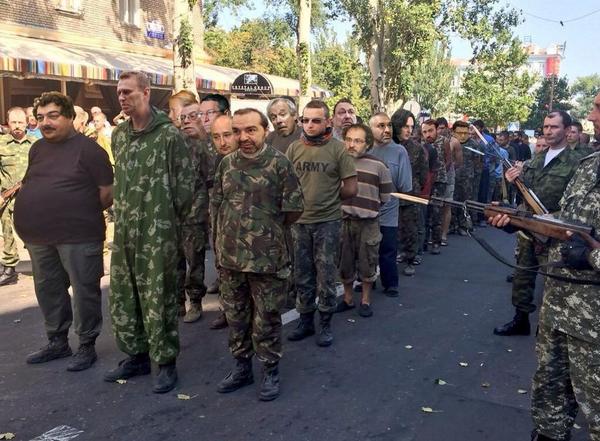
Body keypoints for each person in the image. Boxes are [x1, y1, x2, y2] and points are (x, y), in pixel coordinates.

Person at [490, 92, 600, 441]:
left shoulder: (578, 159)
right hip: (559, 304)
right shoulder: (591, 165)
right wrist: (518, 221)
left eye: (598, 108)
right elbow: (566, 220)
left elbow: (586, 242)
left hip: (593, 318)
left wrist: (590, 256)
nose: (591, 116)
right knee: (551, 386)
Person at [104, 71, 194, 393]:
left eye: (128, 92)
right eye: (119, 92)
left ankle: (166, 361)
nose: (122, 98)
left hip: (158, 231)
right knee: (125, 294)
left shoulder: (169, 136)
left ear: (146, 92)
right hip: (125, 231)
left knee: (159, 295)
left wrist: (167, 222)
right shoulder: (119, 135)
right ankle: (137, 355)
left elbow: (185, 187)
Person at [13, 92, 113, 371]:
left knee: (84, 291)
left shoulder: (90, 150)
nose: (45, 122)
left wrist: (75, 211)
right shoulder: (37, 149)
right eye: (41, 117)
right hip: (39, 237)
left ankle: (86, 344)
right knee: (49, 289)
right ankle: (57, 341)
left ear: (69, 117)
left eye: (53, 116)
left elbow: (107, 194)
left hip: (79, 236)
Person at [212, 108, 303, 401]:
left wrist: (266, 233)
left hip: (267, 260)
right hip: (230, 260)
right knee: (236, 317)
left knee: (266, 318)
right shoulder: (226, 164)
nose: (243, 137)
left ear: (265, 131)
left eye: (251, 130)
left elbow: (294, 209)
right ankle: (242, 368)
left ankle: (269, 369)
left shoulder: (280, 164)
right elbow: (218, 205)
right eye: (237, 131)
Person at [494, 111, 585, 337]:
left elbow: (579, 201)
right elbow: (526, 194)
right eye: (546, 127)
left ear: (567, 130)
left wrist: (557, 219)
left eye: (554, 127)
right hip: (530, 228)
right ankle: (521, 319)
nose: (548, 131)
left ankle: (552, 330)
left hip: (555, 231)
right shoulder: (536, 159)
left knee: (555, 282)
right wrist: (513, 181)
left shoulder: (577, 162)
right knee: (523, 276)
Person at [286, 100, 357, 347]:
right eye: (305, 120)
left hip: (328, 223)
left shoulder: (338, 150)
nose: (310, 125)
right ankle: (306, 321)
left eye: (316, 120)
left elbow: (351, 188)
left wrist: (329, 200)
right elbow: (285, 183)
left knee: (326, 276)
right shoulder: (294, 148)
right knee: (302, 274)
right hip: (299, 223)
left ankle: (325, 323)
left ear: (327, 122)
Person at [335, 124, 392, 316]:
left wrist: (368, 207)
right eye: (348, 139)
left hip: (369, 223)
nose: (352, 144)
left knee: (368, 261)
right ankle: (348, 299)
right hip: (343, 221)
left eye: (358, 141)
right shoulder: (338, 163)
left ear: (367, 144)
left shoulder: (379, 166)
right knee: (344, 261)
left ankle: (365, 300)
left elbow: (385, 196)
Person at [369, 112, 412, 294]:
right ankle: (367, 280)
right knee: (366, 250)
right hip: (366, 210)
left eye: (389, 125)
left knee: (387, 249)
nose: (387, 130)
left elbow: (405, 185)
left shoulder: (399, 151)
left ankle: (390, 283)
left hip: (388, 211)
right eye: (381, 126)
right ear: (370, 129)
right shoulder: (364, 149)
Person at [177, 102, 211, 324]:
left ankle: (196, 301)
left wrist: (204, 139)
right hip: (173, 213)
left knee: (194, 260)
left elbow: (212, 177)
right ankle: (177, 301)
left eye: (192, 116)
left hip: (195, 214)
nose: (187, 121)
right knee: (174, 260)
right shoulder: (175, 143)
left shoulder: (207, 144)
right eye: (183, 118)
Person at [0, 107, 36, 286]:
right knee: (7, 232)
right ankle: (9, 268)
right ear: (8, 122)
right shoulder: (1, 143)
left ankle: (41, 263)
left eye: (20, 122)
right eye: (13, 122)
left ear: (27, 122)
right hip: (6, 198)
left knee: (33, 232)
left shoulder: (36, 144)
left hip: (30, 198)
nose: (17, 126)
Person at [391, 109, 428, 276]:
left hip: (410, 195)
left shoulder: (417, 149)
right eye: (405, 126)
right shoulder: (388, 146)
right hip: (390, 195)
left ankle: (410, 259)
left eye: (412, 127)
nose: (409, 130)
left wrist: (414, 188)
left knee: (410, 228)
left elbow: (423, 173)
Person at [421, 119, 449, 254]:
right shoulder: (421, 144)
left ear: (436, 130)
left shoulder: (444, 141)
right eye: (425, 132)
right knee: (424, 213)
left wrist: (440, 172)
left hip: (439, 181)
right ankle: (424, 242)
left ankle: (436, 242)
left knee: (436, 213)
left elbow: (449, 161)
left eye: (430, 131)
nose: (428, 134)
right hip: (425, 183)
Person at [451, 120, 480, 236]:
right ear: (453, 132)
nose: (463, 136)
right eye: (459, 133)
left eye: (465, 133)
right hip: (452, 178)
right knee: (452, 202)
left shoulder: (474, 145)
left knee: (466, 202)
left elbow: (478, 162)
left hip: (468, 179)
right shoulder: (449, 143)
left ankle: (464, 225)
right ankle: (452, 225)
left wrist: (474, 177)